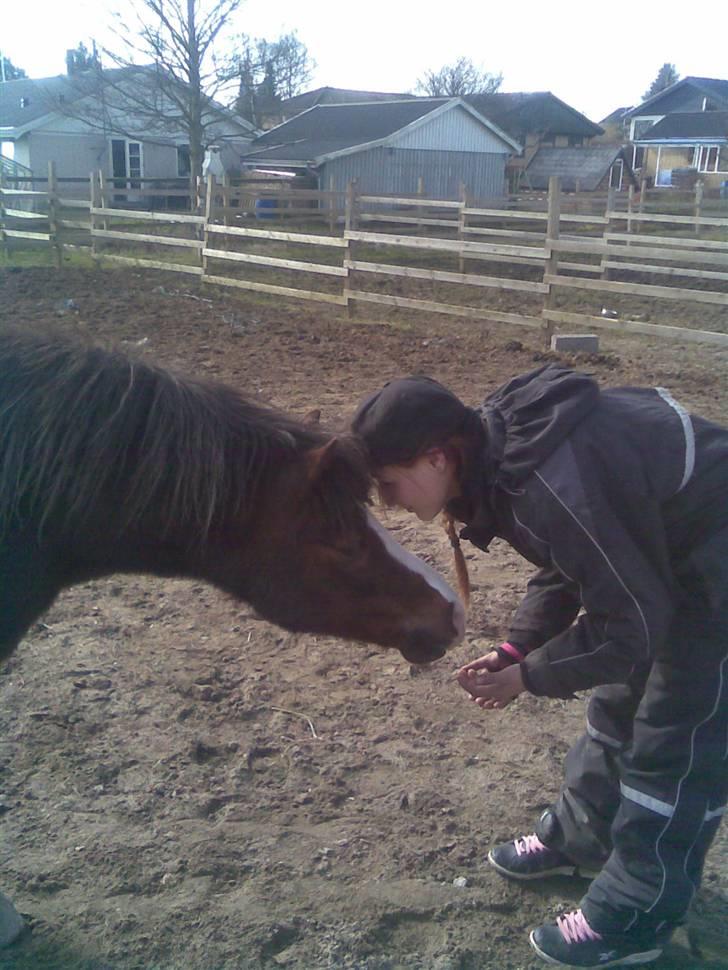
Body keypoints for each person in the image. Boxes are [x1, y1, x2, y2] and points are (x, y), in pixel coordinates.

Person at [351, 365, 728, 969]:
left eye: (390, 484)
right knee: (616, 705)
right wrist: (515, 649)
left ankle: (636, 914)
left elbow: (629, 621)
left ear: (438, 459)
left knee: (673, 742)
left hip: (713, 571)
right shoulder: (503, 459)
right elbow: (573, 562)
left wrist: (526, 677)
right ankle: (585, 838)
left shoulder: (549, 483)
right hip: (665, 563)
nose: (388, 501)